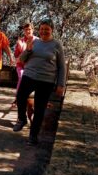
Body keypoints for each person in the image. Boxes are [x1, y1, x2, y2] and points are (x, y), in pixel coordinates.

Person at [13, 18, 66, 146]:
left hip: (46, 80)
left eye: (47, 29)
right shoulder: (34, 42)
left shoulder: (56, 45)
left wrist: (60, 85)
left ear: (52, 30)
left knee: (40, 109)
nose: (44, 31)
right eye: (42, 29)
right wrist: (28, 49)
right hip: (29, 76)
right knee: (20, 96)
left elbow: (61, 66)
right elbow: (21, 60)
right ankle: (22, 119)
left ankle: (33, 136)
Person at [12, 22, 38, 108]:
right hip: (21, 65)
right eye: (26, 30)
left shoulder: (37, 41)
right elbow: (16, 55)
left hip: (32, 66)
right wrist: (19, 47)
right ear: (24, 31)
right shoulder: (21, 41)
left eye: (29, 29)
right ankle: (17, 98)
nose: (28, 31)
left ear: (33, 30)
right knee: (22, 76)